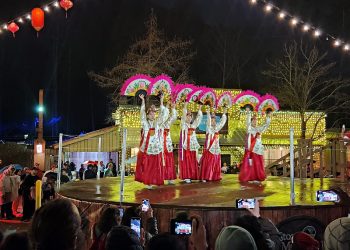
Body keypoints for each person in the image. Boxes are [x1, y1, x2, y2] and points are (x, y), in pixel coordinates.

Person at [135, 94, 166, 189]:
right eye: (151, 114)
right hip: (147, 147)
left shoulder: (157, 123)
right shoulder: (145, 122)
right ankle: (148, 181)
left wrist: (161, 101)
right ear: (148, 114)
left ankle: (154, 180)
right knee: (148, 165)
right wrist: (143, 100)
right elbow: (142, 113)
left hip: (156, 147)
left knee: (156, 165)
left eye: (154, 114)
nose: (153, 115)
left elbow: (162, 114)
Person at [239, 109, 271, 183]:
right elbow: (247, 122)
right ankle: (250, 177)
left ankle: (257, 177)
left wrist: (268, 117)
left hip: (257, 150)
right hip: (250, 150)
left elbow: (266, 125)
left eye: (256, 120)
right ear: (251, 121)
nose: (255, 122)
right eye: (253, 120)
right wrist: (248, 113)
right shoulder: (249, 129)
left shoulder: (259, 129)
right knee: (250, 164)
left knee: (257, 164)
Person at [200, 108, 227, 182]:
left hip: (216, 149)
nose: (213, 122)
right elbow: (208, 121)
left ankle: (214, 176)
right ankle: (206, 176)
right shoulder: (208, 128)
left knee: (215, 162)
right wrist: (208, 113)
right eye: (212, 121)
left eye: (214, 121)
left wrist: (224, 114)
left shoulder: (217, 128)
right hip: (209, 148)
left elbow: (222, 122)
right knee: (208, 163)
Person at [179, 102, 203, 183]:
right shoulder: (183, 125)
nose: (189, 118)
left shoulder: (193, 126)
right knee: (186, 161)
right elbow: (182, 117)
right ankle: (186, 176)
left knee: (193, 161)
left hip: (192, 147)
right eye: (187, 116)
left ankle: (193, 175)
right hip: (186, 147)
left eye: (190, 116)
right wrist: (185, 106)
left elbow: (198, 119)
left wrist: (200, 109)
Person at [160, 101, 177, 185]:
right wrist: (166, 107)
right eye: (164, 113)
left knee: (169, 160)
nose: (166, 116)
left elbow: (173, 117)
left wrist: (173, 108)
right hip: (160, 144)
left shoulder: (168, 123)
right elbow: (164, 114)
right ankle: (160, 177)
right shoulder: (159, 123)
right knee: (161, 160)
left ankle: (170, 177)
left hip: (168, 143)